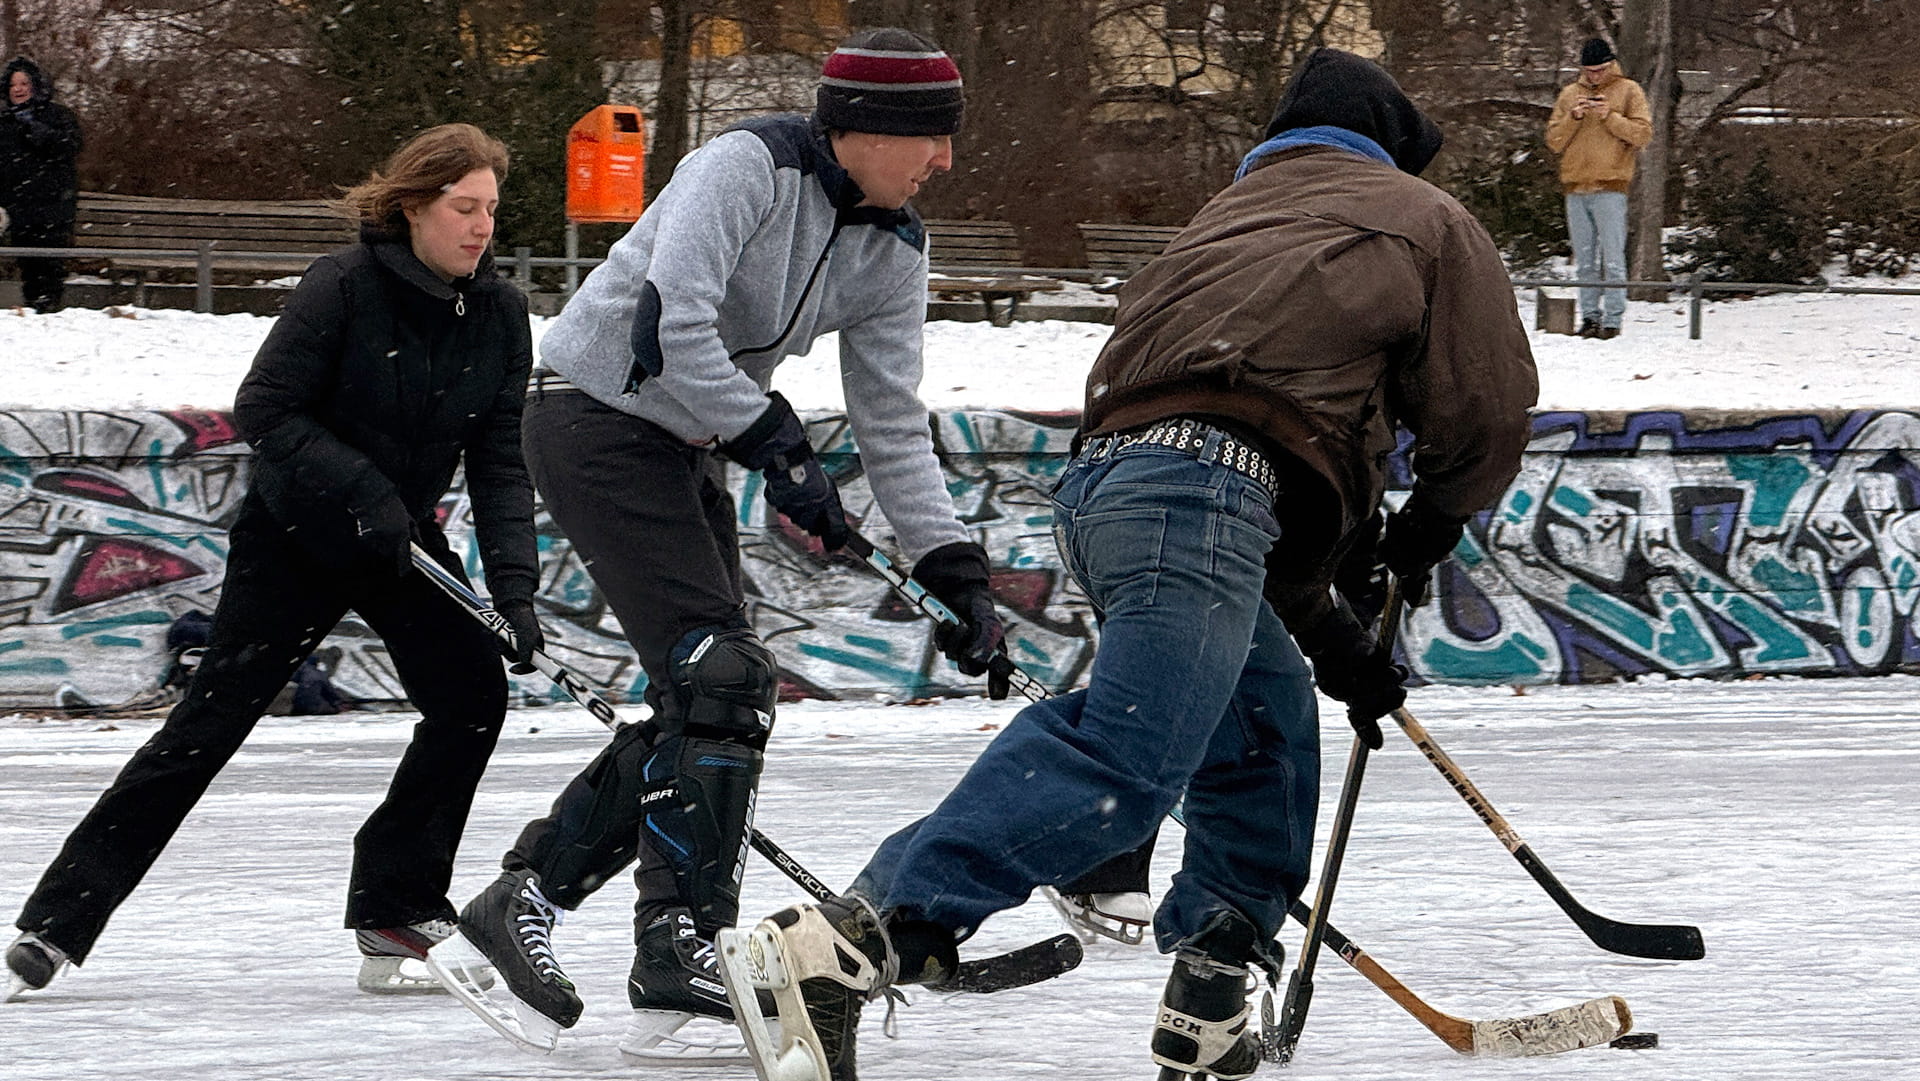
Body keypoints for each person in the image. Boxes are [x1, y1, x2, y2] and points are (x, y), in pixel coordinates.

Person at [717, 48, 1539, 1081]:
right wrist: (1431, 525)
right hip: (1203, 496)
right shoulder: (1423, 218)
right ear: (1393, 151)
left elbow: (1243, 452)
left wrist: (1335, 643)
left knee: (1262, 730)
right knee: (1131, 752)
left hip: (1118, 493)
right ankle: (855, 938)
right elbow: (1487, 408)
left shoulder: (1223, 224)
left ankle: (1214, 986)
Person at [431, 27, 1005, 1063]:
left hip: (685, 440)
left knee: (712, 696)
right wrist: (770, 437)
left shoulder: (895, 245)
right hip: (592, 414)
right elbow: (669, 329)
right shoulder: (746, 167)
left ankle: (544, 903)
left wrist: (949, 563)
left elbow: (890, 418)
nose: (946, 160)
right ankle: (679, 943)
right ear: (869, 128)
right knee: (721, 672)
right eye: (933, 137)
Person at [4, 123, 542, 1002]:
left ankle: (396, 906)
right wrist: (362, 487)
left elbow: (499, 461)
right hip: (295, 539)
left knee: (472, 695)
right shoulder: (344, 285)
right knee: (205, 729)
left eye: (490, 208)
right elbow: (265, 407)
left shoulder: (498, 313)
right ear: (413, 207)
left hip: (397, 545)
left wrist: (515, 591)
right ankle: (56, 924)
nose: (481, 226)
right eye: (462, 207)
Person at [1545, 37, 1651, 340]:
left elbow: (1643, 134)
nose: (1595, 77)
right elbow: (1554, 141)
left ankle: (1613, 319)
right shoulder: (1569, 94)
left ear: (1611, 65)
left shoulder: (1629, 90)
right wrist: (1574, 117)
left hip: (1611, 186)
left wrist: (1610, 116)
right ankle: (1589, 317)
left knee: (1613, 258)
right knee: (1584, 261)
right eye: (1589, 71)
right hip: (1576, 187)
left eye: (1600, 70)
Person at [0, 56, 83, 313]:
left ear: (36, 85)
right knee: (28, 263)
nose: (18, 89)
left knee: (50, 263)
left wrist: (46, 136)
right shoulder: (4, 122)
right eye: (13, 84)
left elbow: (72, 146)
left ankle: (49, 306)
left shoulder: (57, 116)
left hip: (53, 205)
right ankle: (34, 307)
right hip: (18, 206)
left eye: (24, 83)